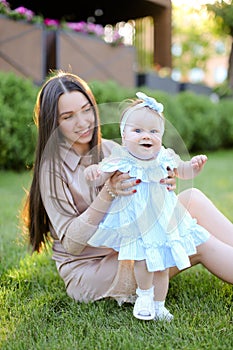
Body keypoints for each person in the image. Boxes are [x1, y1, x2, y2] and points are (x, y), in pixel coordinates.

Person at [22, 71, 233, 323]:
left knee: (193, 198)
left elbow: (147, 192)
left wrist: (164, 182)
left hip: (130, 243)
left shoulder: (111, 150)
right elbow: (72, 245)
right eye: (68, 117)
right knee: (197, 239)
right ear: (53, 123)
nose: (82, 122)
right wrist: (108, 193)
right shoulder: (52, 172)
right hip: (94, 268)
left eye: (86, 110)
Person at [84, 91, 209, 321]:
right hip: (136, 221)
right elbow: (103, 173)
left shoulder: (164, 156)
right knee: (141, 260)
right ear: (124, 136)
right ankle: (144, 295)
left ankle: (159, 305)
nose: (147, 136)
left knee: (162, 265)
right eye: (138, 131)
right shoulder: (122, 157)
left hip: (163, 219)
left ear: (161, 136)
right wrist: (94, 172)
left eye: (153, 132)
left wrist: (193, 167)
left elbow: (181, 169)